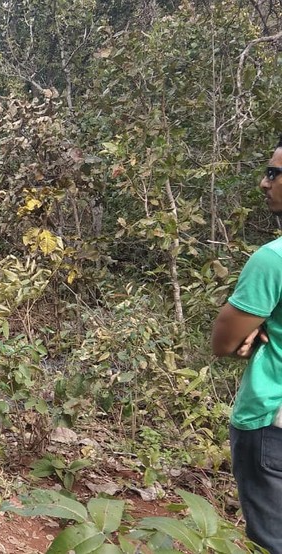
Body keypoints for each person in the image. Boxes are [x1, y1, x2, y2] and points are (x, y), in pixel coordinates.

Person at [211, 138, 282, 553]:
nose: (264, 182)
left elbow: (224, 341)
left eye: (274, 173)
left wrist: (250, 335)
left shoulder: (273, 260)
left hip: (271, 426)